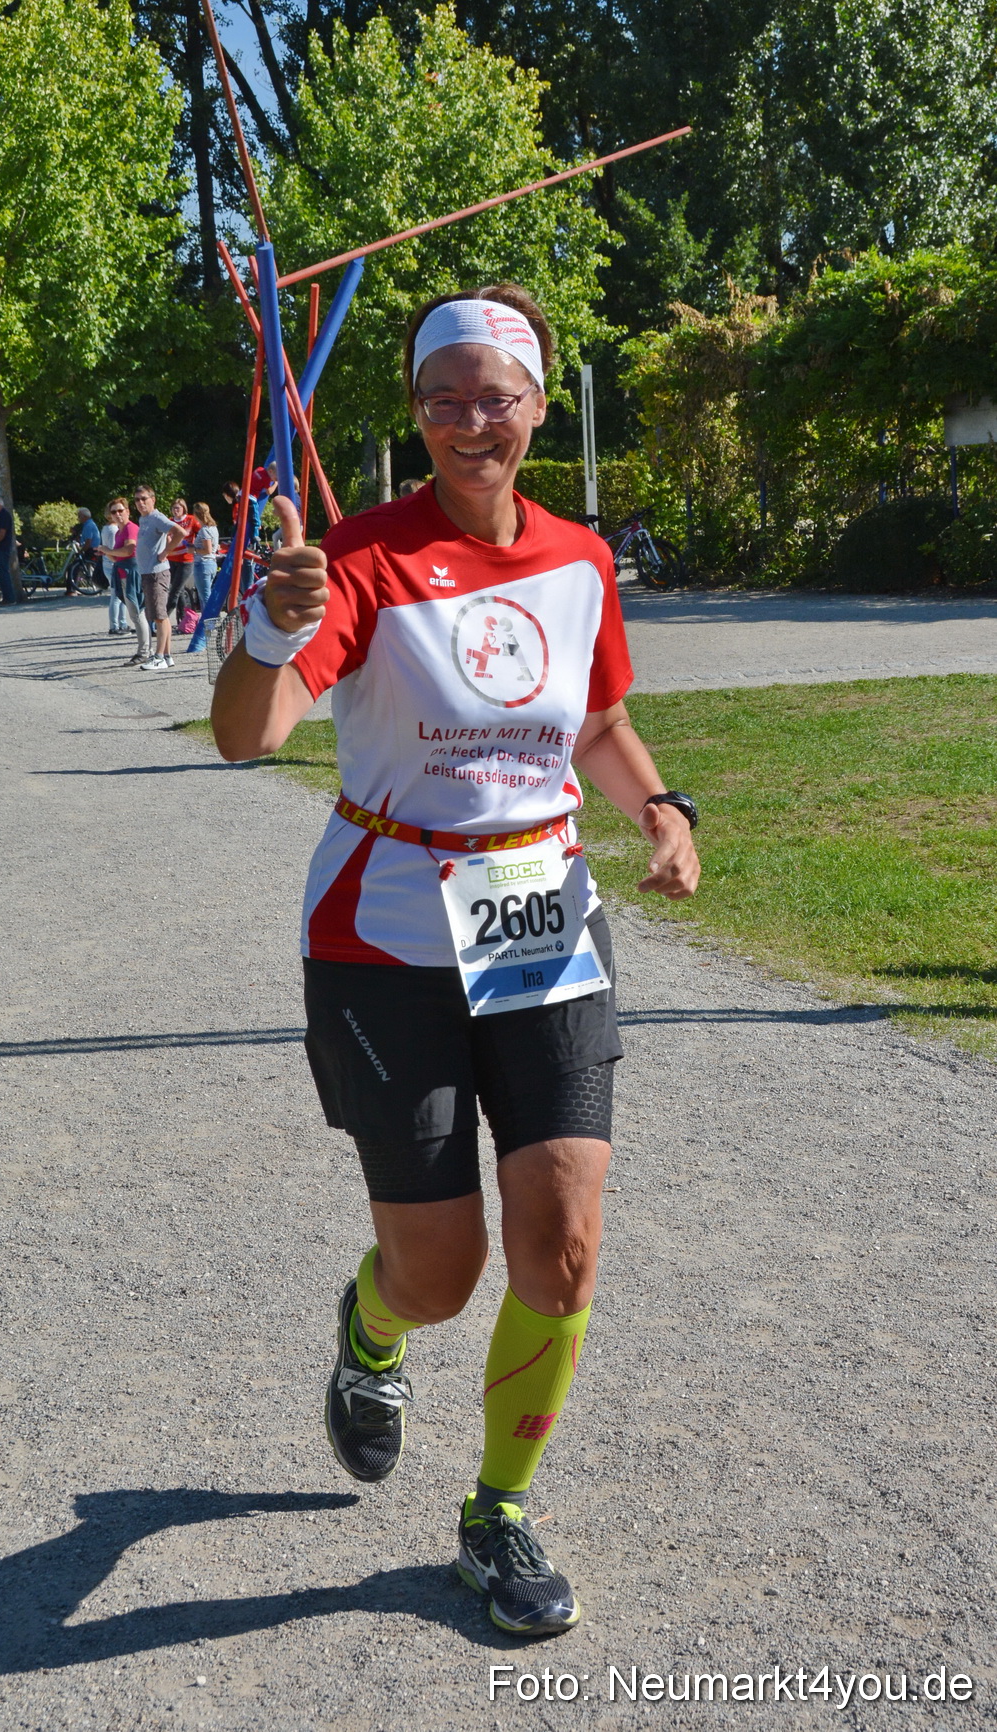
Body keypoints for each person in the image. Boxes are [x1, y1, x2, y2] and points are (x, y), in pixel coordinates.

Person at [210, 284, 701, 1637]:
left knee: (563, 1245)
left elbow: (595, 721)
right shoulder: (358, 558)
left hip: (538, 919)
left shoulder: (578, 559)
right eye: (444, 400)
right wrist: (268, 626)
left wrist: (657, 807)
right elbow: (246, 736)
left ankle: (494, 1516)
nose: (470, 423)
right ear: (417, 415)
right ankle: (370, 1335)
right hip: (385, 939)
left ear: (536, 405)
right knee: (439, 1274)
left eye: (496, 396)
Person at [132, 485, 186, 671]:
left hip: (157, 572)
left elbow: (180, 532)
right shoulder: (144, 519)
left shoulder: (156, 517)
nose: (140, 503)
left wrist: (166, 552)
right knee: (159, 616)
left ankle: (159, 656)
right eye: (137, 499)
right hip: (148, 572)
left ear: (152, 499)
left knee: (159, 617)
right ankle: (168, 655)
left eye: (144, 498)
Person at [103, 497, 148, 665]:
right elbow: (117, 557)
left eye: (120, 510)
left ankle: (144, 652)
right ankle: (145, 650)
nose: (117, 514)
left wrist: (107, 550)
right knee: (135, 614)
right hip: (123, 573)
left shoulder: (130, 528)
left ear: (128, 511)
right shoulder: (119, 531)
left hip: (132, 574)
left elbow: (129, 550)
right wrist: (106, 551)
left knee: (137, 614)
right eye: (114, 511)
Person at [101, 506, 130, 635]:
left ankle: (122, 623)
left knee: (120, 595)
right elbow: (114, 549)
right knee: (117, 595)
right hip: (113, 563)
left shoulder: (106, 528)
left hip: (109, 563)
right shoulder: (113, 529)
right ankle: (115, 625)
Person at [190, 503, 220, 614]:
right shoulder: (213, 528)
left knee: (205, 597)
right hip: (211, 563)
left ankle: (210, 624)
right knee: (206, 595)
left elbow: (207, 549)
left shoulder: (204, 530)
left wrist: (193, 550)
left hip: (203, 564)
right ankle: (206, 624)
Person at [67, 506, 102, 598]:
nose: (78, 518)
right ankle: (76, 587)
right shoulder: (89, 524)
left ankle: (71, 590)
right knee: (77, 567)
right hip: (93, 549)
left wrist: (81, 551)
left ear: (84, 516)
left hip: (90, 550)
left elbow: (88, 542)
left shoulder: (88, 525)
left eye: (79, 516)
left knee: (73, 567)